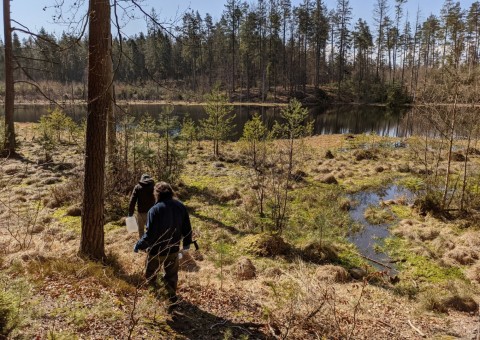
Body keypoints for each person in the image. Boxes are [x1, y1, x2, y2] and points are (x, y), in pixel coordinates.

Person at [134, 182, 192, 310]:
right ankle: (171, 301)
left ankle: (154, 299)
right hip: (173, 249)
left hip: (156, 251)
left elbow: (150, 234)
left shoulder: (154, 210)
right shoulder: (180, 206)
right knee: (171, 276)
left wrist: (139, 244)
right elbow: (187, 228)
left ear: (156, 194)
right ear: (171, 192)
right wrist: (187, 244)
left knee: (151, 274)